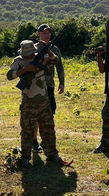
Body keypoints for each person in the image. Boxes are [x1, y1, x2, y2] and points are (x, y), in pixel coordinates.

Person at [6, 39, 72, 167]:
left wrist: (47, 49)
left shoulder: (42, 58)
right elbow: (10, 75)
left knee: (48, 129)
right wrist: (25, 70)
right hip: (28, 103)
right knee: (27, 131)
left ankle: (52, 154)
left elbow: (55, 61)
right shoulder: (18, 61)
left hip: (43, 101)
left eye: (32, 53)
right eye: (28, 53)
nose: (31, 55)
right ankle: (25, 157)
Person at [32, 23, 65, 152]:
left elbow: (60, 66)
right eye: (44, 33)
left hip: (49, 85)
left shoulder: (54, 49)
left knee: (49, 113)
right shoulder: (33, 48)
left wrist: (62, 83)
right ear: (38, 34)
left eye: (48, 33)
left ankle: (46, 141)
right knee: (35, 115)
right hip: (36, 86)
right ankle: (34, 141)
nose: (47, 35)